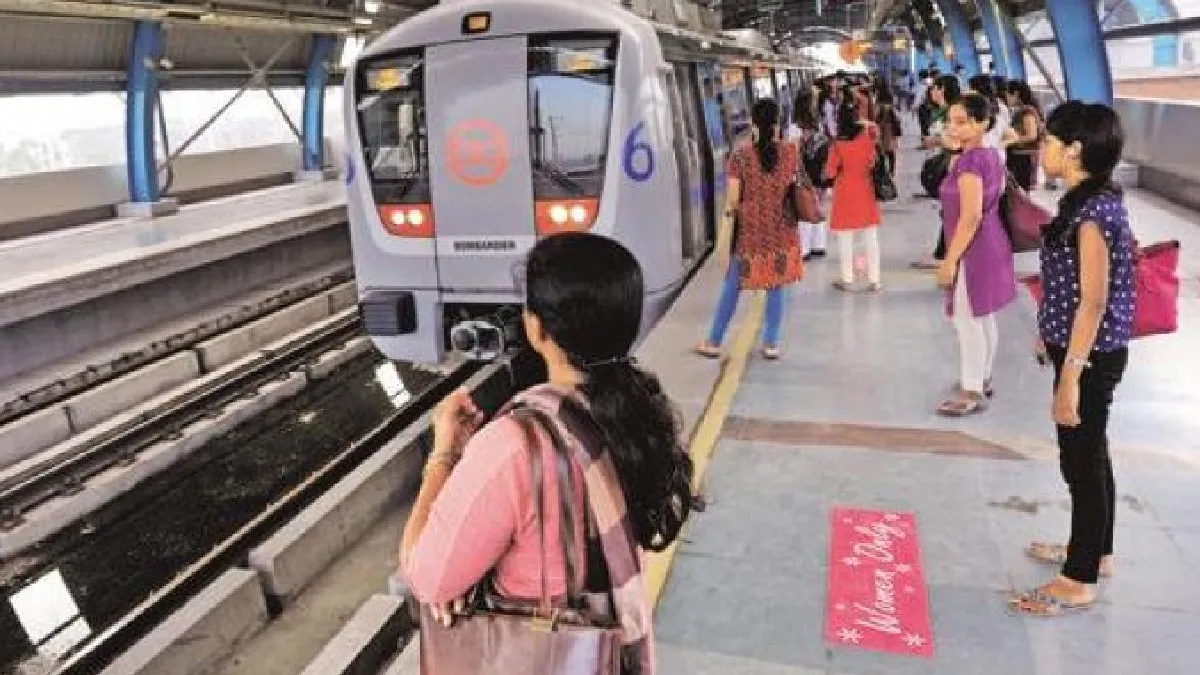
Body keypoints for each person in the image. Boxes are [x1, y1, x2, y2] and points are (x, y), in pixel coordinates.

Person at [401, 233, 702, 674]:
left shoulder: (515, 444)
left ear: (535, 328)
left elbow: (426, 576)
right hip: (609, 653)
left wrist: (444, 453)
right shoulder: (635, 414)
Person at [1010, 102, 1134, 617]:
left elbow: (1094, 301)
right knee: (1091, 453)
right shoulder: (1088, 201)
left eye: (1052, 142)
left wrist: (1070, 379)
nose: (1045, 150)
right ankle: (1096, 551)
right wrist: (1049, 337)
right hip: (1081, 348)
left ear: (1075, 150)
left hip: (1090, 355)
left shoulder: (1092, 215)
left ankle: (1079, 578)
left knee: (1079, 462)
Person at [696, 98, 805, 360]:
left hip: (749, 232)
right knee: (777, 286)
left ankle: (714, 341)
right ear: (777, 123)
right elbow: (794, 184)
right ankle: (771, 343)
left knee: (733, 285)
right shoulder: (790, 152)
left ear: (753, 123)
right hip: (781, 230)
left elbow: (733, 198)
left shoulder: (741, 156)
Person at [935, 93, 1016, 416]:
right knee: (983, 316)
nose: (953, 129)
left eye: (961, 122)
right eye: (950, 121)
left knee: (967, 320)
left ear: (982, 123)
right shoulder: (991, 155)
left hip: (973, 249)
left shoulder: (969, 162)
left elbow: (970, 216)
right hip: (993, 241)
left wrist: (950, 260)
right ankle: (982, 376)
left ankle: (971, 391)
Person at [825, 100, 883, 292]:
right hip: (865, 189)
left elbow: (831, 172)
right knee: (870, 237)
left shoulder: (837, 144)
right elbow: (872, 161)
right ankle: (874, 280)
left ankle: (847, 278)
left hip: (844, 192)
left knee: (845, 238)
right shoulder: (866, 138)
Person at [790, 90, 829, 260]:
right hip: (819, 170)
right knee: (817, 205)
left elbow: (794, 153)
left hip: (804, 173)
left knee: (803, 208)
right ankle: (818, 245)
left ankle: (804, 249)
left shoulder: (794, 126)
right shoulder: (817, 123)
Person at [1005, 79, 1044, 190]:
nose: (1007, 97)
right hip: (1022, 156)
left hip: (1025, 157)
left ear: (1016, 93)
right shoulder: (1025, 110)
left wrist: (1010, 140)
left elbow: (1032, 135)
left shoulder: (1027, 111)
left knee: (1022, 192)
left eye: (1008, 94)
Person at [874, 86, 903, 178]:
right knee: (890, 152)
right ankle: (891, 171)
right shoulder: (890, 106)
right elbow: (895, 120)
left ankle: (883, 171)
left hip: (882, 131)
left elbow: (876, 119)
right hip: (889, 131)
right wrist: (897, 133)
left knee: (881, 153)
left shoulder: (878, 106)